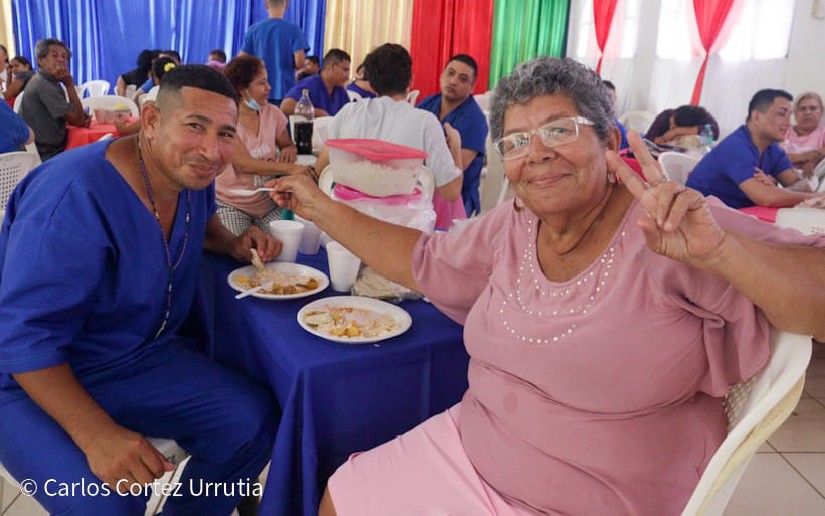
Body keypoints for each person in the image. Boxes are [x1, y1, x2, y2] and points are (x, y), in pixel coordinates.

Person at [267, 56, 825, 516]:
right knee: (341, 495)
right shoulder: (513, 223)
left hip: (602, 494)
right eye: (515, 141)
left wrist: (723, 253)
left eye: (559, 130)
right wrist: (319, 204)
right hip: (476, 446)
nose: (537, 152)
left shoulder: (672, 224)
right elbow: (424, 258)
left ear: (608, 143)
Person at [0, 65, 281, 514]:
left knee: (253, 421)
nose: (212, 151)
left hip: (133, 358)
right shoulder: (71, 196)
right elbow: (22, 339)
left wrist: (231, 241)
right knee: (107, 502)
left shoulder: (189, 177)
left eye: (226, 134)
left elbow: (197, 224)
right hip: (28, 378)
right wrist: (94, 433)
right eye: (195, 126)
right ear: (150, 121)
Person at [313, 43, 464, 230]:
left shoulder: (348, 113)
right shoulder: (425, 122)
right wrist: (456, 147)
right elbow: (451, 192)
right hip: (400, 236)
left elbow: (322, 170)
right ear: (410, 80)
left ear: (372, 83)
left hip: (344, 229)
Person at [216, 55, 313, 235]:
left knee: (284, 244)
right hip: (233, 205)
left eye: (267, 82)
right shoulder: (226, 119)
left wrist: (288, 149)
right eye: (262, 83)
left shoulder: (272, 113)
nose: (269, 88)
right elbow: (244, 164)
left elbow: (286, 144)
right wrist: (290, 168)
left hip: (268, 204)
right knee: (244, 248)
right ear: (241, 88)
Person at [686, 89, 825, 209]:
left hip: (738, 213)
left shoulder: (773, 149)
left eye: (790, 116)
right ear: (757, 116)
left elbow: (801, 184)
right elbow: (767, 198)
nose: (788, 123)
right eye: (781, 114)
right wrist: (816, 196)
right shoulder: (736, 147)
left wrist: (776, 191)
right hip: (703, 216)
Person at [418, 54, 488, 216]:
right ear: (442, 75)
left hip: (456, 196)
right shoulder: (427, 103)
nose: (453, 81)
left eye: (463, 79)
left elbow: (452, 171)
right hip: (422, 186)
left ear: (472, 87)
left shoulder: (474, 119)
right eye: (450, 73)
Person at [20, 38, 90, 161]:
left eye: (64, 56)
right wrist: (69, 84)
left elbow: (75, 116)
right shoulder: (44, 85)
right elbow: (78, 121)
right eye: (54, 55)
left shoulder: (50, 81)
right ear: (41, 61)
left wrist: (81, 116)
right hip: (47, 153)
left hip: (48, 147)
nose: (61, 60)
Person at [240, 0, 308, 106]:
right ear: (286, 4)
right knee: (281, 121)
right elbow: (300, 63)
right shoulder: (294, 30)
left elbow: (241, 61)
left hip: (258, 89)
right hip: (284, 89)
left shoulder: (254, 30)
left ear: (266, 4)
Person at [114, 56, 178, 136]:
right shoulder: (184, 91)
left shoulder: (157, 90)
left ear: (155, 79)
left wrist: (124, 129)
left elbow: (148, 119)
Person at [281, 48, 351, 117]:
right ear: (332, 66)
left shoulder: (341, 91)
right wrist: (317, 113)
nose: (347, 76)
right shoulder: (309, 84)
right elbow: (286, 106)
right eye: (345, 70)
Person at [783, 91, 825, 179]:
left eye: (813, 108)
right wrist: (802, 157)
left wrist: (812, 161)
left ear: (821, 111)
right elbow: (773, 157)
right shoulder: (783, 130)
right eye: (802, 109)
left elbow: (821, 153)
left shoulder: (823, 133)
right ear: (795, 112)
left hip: (812, 184)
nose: (808, 112)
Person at [646, 104, 720, 145]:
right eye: (671, 124)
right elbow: (648, 140)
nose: (671, 129)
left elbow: (714, 132)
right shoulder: (667, 115)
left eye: (674, 128)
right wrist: (663, 140)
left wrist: (677, 132)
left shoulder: (701, 117)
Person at [602, 80, 629, 150]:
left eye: (609, 96)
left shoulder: (615, 122)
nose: (607, 100)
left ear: (615, 97)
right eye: (604, 96)